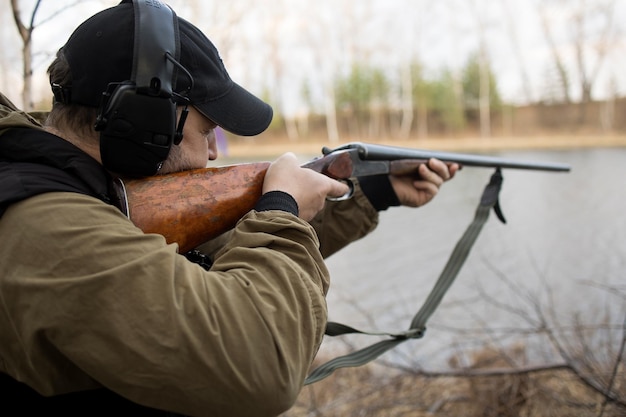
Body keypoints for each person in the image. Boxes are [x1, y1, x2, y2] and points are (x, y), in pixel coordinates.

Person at [0, 1, 458, 416]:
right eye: (209, 132)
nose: (215, 155)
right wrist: (282, 209)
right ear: (143, 122)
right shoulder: (49, 227)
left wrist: (372, 193)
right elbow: (262, 364)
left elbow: (216, 249)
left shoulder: (80, 188)